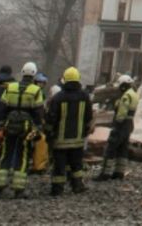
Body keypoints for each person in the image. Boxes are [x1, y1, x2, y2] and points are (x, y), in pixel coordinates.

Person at [0, 62, 44, 198]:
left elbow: (1, 108)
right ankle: (18, 189)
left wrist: (0, 125)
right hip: (25, 127)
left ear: (22, 72)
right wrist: (38, 128)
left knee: (5, 154)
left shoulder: (10, 87)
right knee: (23, 155)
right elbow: (38, 112)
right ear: (34, 74)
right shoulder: (36, 90)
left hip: (9, 124)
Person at [45, 67, 93, 196]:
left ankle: (57, 189)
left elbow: (51, 118)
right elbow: (89, 116)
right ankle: (77, 186)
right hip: (78, 140)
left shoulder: (58, 97)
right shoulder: (84, 96)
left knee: (59, 166)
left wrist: (48, 133)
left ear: (64, 79)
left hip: (60, 141)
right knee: (77, 165)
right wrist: (86, 130)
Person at [96, 74, 137, 181]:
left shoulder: (125, 96)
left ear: (123, 85)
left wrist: (115, 124)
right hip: (129, 125)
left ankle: (105, 173)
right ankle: (119, 172)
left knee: (111, 148)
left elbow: (121, 113)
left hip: (121, 125)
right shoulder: (134, 94)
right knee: (123, 149)